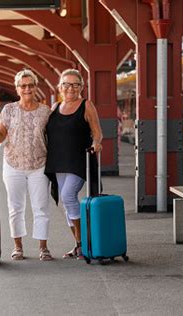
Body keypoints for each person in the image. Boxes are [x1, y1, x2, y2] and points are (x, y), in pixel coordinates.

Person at [0, 69, 52, 261]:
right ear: (17, 88)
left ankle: (43, 248)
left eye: (30, 85)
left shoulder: (45, 112)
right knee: (15, 207)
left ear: (35, 87)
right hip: (13, 165)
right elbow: (2, 132)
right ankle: (18, 247)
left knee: (41, 207)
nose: (27, 89)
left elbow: (55, 136)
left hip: (39, 165)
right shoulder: (9, 110)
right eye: (23, 86)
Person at [45, 68, 103, 260]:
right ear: (60, 87)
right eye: (67, 84)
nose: (71, 88)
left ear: (81, 87)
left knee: (68, 195)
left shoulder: (86, 105)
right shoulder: (55, 108)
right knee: (66, 202)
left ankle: (82, 243)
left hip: (79, 160)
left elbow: (97, 131)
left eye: (75, 84)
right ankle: (78, 244)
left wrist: (97, 143)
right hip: (59, 161)